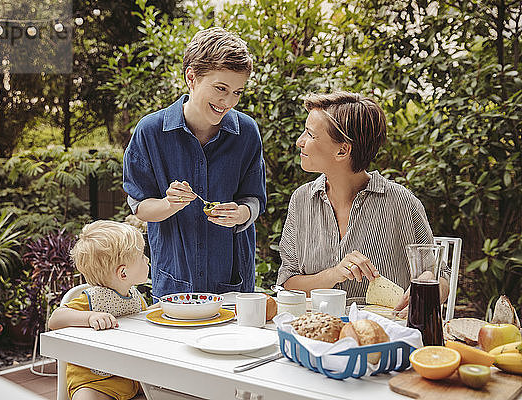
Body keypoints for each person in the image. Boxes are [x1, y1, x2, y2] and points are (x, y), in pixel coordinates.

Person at [276, 91, 449, 315]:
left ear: (342, 150)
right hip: (315, 332)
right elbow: (288, 284)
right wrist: (335, 274)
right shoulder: (301, 200)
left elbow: (440, 277)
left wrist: (427, 284)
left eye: (310, 134)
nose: (300, 141)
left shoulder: (402, 203)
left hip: (385, 337)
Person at [123, 27, 266, 297]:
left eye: (237, 92)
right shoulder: (150, 131)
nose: (228, 101)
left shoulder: (247, 132)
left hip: (232, 285)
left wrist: (241, 214)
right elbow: (140, 207)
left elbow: (254, 200)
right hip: (174, 282)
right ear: (192, 77)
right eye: (221, 88)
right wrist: (168, 204)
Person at [48, 220, 152, 400]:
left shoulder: (134, 295)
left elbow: (141, 320)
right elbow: (55, 319)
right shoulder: (92, 298)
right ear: (123, 273)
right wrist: (90, 317)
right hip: (94, 382)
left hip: (129, 376)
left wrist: (160, 310)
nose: (147, 259)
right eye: (142, 256)